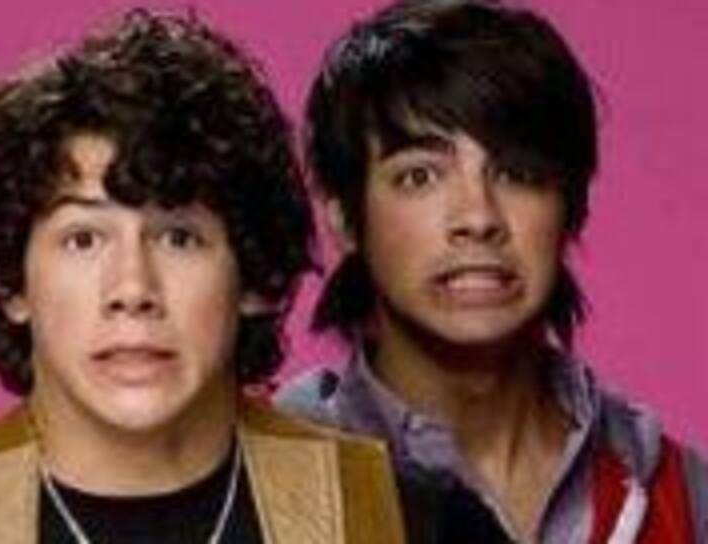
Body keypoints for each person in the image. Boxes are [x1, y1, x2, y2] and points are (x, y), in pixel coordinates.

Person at [0, 8, 404, 544]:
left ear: (254, 278)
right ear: (14, 284)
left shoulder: (402, 522)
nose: (132, 289)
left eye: (179, 237)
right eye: (84, 239)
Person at [276, 1, 708, 542]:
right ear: (343, 217)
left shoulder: (682, 495)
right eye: (420, 176)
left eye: (518, 173)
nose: (478, 218)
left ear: (572, 206)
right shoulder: (270, 486)